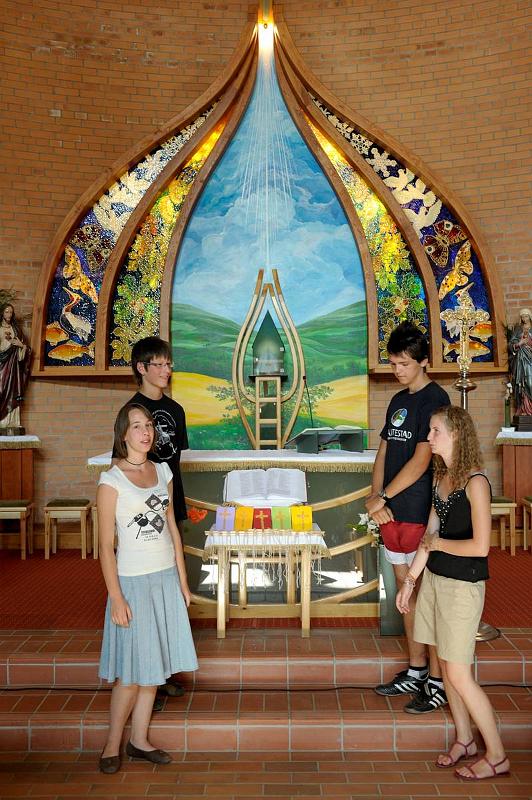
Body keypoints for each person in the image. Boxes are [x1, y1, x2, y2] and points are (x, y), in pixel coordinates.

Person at [396, 405, 510, 780]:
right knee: (445, 667)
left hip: (463, 587)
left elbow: (481, 547)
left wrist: (439, 544)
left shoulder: (476, 483)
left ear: (456, 435)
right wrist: (410, 581)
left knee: (459, 674)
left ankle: (497, 755)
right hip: (435, 581)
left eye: (435, 431)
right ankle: (465, 740)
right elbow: (429, 536)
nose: (428, 437)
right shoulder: (441, 478)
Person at [98, 402, 198, 774]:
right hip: (132, 582)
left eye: (149, 426)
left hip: (165, 577)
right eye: (137, 426)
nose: (145, 432)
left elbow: (171, 527)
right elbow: (105, 546)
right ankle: (112, 744)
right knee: (131, 673)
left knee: (154, 667)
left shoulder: (162, 471)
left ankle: (139, 740)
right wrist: (116, 597)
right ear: (123, 434)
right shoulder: (111, 481)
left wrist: (182, 581)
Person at [365, 321, 450, 713]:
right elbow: (384, 451)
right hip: (390, 512)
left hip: (417, 509)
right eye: (394, 363)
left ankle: (438, 680)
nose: (397, 370)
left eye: (404, 364)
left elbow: (421, 460)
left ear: (424, 361)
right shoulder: (398, 400)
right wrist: (375, 498)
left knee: (425, 595)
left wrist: (384, 496)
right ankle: (417, 669)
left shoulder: (436, 400)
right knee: (404, 591)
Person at [112, 336, 189, 703]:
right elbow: (119, 464)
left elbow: (173, 461)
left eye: (169, 364)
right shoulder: (131, 411)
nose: (166, 370)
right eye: (159, 364)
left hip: (169, 504)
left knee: (168, 598)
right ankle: (143, 676)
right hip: (141, 517)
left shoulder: (176, 410)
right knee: (143, 604)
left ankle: (161, 673)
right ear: (141, 368)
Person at [0, 302, 31, 427]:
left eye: (11, 312)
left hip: (13, 367)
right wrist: (6, 347)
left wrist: (21, 346)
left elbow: (24, 350)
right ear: (2, 313)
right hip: (1, 365)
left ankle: (11, 422)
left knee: (12, 391)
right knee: (1, 390)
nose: (9, 314)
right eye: (6, 312)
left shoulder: (16, 330)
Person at [508, 308, 532, 416]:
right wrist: (519, 343)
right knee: (522, 384)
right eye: (522, 317)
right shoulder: (518, 329)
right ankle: (523, 408)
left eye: (526, 316)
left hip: (530, 358)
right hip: (520, 360)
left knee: (530, 383)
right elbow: (510, 344)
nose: (524, 319)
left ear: (530, 317)